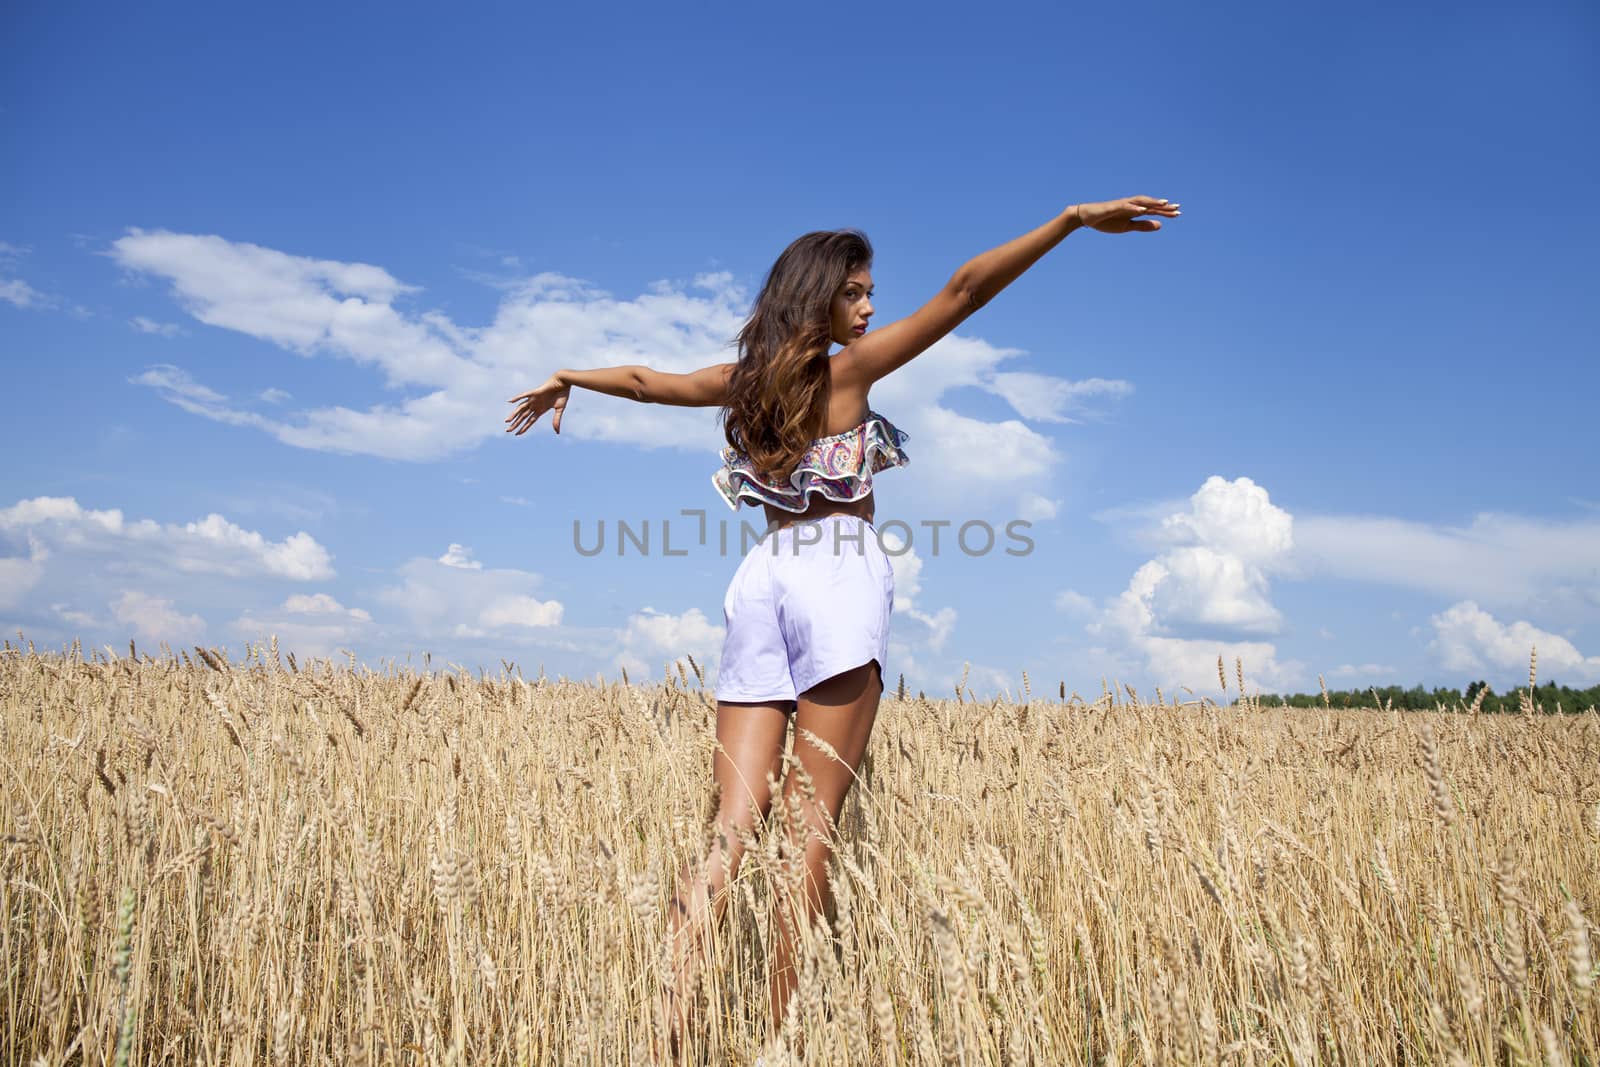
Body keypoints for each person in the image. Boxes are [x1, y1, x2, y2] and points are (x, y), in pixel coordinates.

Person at [504, 194, 1180, 1057]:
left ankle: (664, 1027)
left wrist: (569, 376)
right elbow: (966, 291)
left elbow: (643, 382)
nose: (868, 308)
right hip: (836, 578)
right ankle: (784, 1040)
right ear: (819, 295)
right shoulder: (848, 374)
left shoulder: (740, 384)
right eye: (856, 292)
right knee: (807, 833)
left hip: (759, 581)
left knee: (729, 832)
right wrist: (1071, 220)